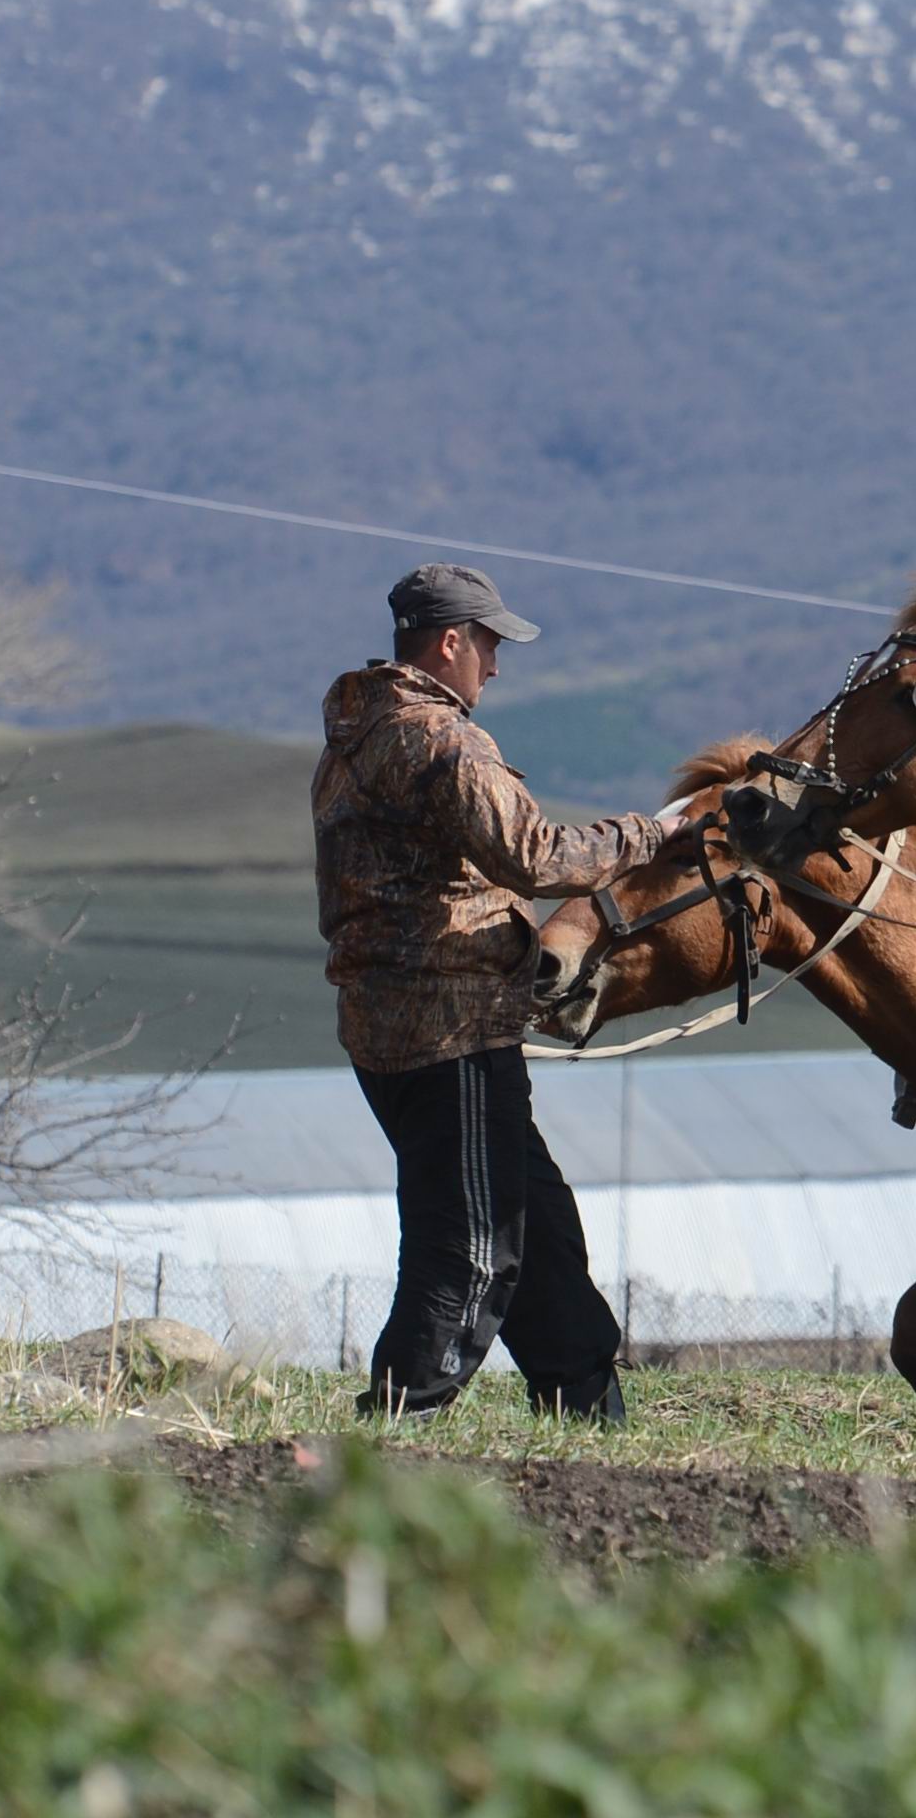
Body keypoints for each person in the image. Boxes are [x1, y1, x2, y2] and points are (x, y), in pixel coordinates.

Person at [314, 562, 671, 1420]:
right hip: (450, 1035)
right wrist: (653, 836)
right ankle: (400, 1426)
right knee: (471, 1250)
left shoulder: (356, 734)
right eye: (487, 645)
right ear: (448, 643)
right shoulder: (441, 739)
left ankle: (586, 1404)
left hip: (395, 1029)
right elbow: (535, 857)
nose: (495, 667)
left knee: (536, 1229)